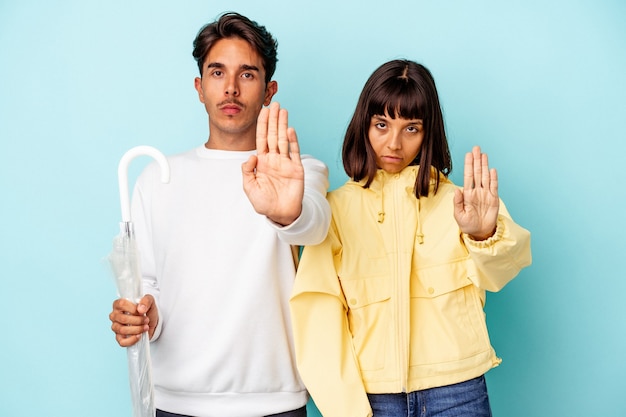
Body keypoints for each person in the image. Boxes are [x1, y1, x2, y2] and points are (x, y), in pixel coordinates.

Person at [108, 12, 331, 417]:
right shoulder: (157, 178)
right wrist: (142, 316)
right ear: (199, 86)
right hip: (175, 400)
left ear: (269, 90)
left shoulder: (301, 171)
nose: (230, 88)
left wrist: (287, 213)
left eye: (247, 74)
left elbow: (315, 229)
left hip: (276, 401)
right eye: (217, 72)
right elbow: (149, 284)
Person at [289, 60, 532, 417]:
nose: (394, 143)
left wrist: (483, 234)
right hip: (372, 397)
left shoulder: (462, 204)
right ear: (364, 125)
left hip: (457, 391)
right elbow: (316, 315)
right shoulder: (335, 210)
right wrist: (346, 408)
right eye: (382, 125)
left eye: (411, 128)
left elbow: (501, 272)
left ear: (428, 132)